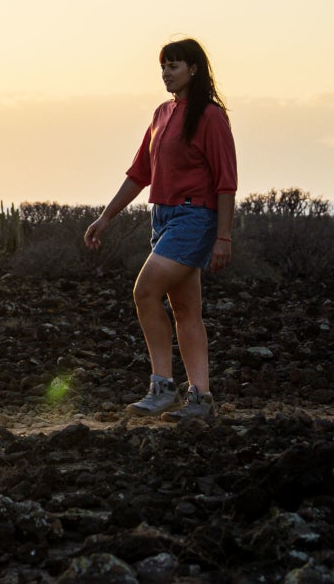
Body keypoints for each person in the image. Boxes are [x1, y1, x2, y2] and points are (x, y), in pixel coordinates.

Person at [85, 39, 237, 421]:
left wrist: (223, 237)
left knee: (145, 290)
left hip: (194, 218)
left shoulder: (210, 117)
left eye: (174, 65)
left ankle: (163, 386)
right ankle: (199, 397)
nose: (167, 72)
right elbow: (139, 174)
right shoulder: (161, 113)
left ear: (194, 70)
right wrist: (106, 217)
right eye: (163, 66)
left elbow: (226, 183)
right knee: (186, 309)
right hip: (163, 217)